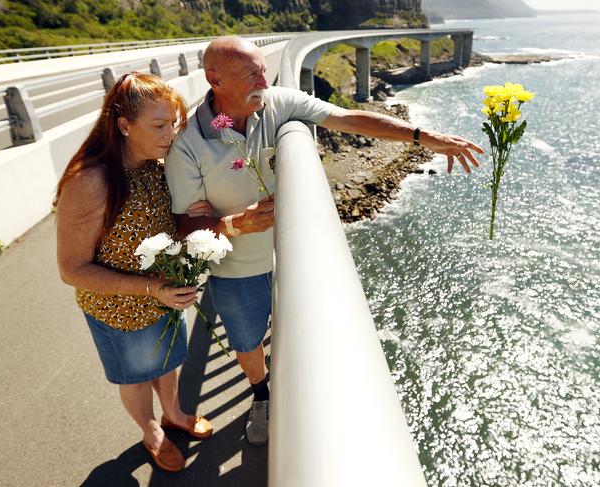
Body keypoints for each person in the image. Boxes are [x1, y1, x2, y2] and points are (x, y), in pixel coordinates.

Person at [164, 36, 484, 446]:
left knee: (301, 333)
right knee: (246, 341)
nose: (264, 78)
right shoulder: (188, 144)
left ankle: (295, 392)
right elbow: (184, 227)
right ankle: (261, 394)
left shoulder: (275, 101)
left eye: (263, 68)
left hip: (294, 256)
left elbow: (349, 119)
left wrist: (424, 137)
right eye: (251, 73)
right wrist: (233, 223)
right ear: (215, 80)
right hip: (235, 267)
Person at [55, 72, 214, 473]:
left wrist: (189, 221)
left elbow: (158, 222)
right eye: (159, 125)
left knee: (165, 360)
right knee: (137, 375)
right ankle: (151, 432)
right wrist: (150, 288)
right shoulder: (90, 181)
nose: (171, 134)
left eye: (174, 123)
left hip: (161, 296)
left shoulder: (153, 164)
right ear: (124, 125)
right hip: (118, 309)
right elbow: (71, 269)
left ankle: (174, 413)